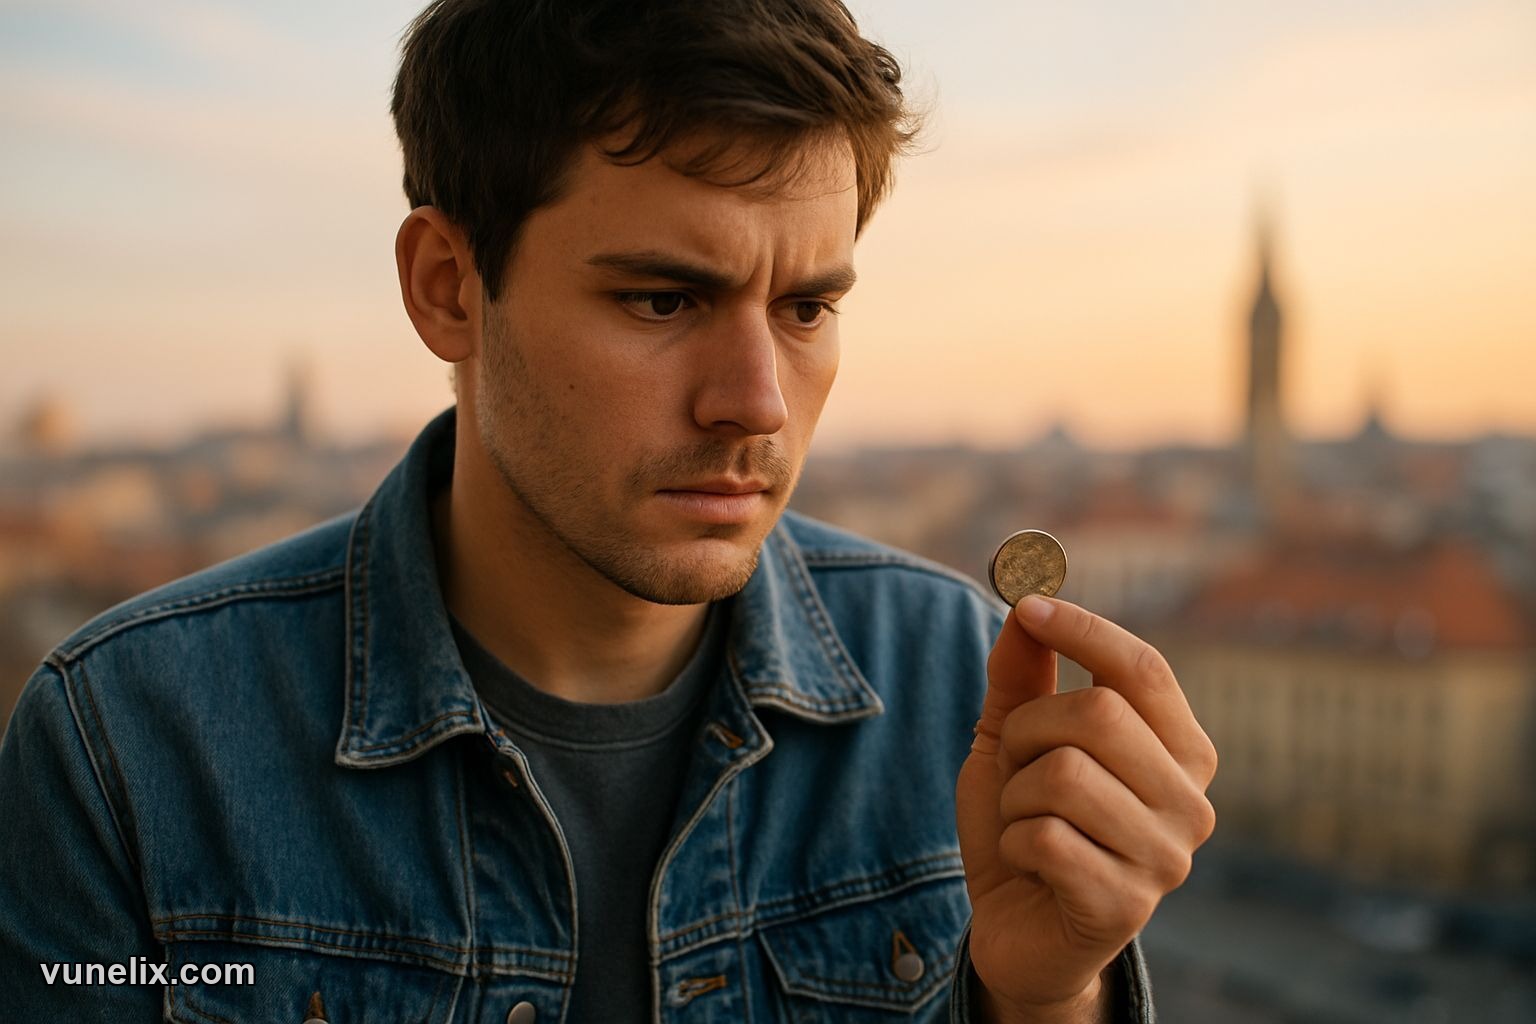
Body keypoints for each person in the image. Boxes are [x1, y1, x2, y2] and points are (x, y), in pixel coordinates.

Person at [0, 0, 1216, 1020]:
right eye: (660, 300)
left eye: (805, 309)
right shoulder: (130, 745)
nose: (757, 405)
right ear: (448, 289)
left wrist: (1048, 996)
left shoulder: (962, 680)